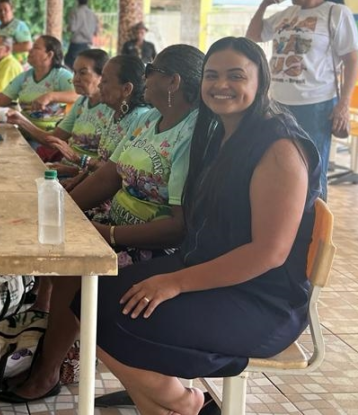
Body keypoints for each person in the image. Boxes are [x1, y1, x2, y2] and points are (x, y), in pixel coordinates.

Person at [74, 38, 320, 415]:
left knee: (122, 319)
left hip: (260, 298)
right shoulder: (219, 132)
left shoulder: (279, 147)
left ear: (261, 82)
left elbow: (269, 253)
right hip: (208, 268)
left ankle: (181, 403)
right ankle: (178, 404)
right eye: (212, 75)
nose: (221, 85)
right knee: (89, 297)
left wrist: (174, 282)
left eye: (236, 76)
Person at [0, 44, 204, 405]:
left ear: (173, 81)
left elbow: (178, 227)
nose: (144, 78)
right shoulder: (150, 121)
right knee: (61, 245)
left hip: (153, 244)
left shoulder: (191, 133)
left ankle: (47, 372)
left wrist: (107, 234)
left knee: (79, 271)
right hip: (114, 224)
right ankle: (51, 353)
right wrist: (66, 214)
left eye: (151, 70)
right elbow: (110, 175)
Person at [246, 0, 358, 198]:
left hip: (316, 104)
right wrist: (264, 5)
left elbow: (352, 60)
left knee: (312, 169)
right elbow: (253, 36)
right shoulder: (286, 14)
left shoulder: (335, 12)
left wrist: (343, 104)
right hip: (277, 102)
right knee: (278, 162)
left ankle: (315, 228)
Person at [6, 49, 109, 168]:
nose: (75, 79)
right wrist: (21, 121)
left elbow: (108, 169)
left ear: (102, 76)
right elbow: (55, 139)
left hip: (82, 176)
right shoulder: (82, 102)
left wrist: (72, 171)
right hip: (65, 168)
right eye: (75, 72)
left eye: (83, 73)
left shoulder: (112, 109)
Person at [0, 36, 76, 134]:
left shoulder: (61, 75)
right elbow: (2, 99)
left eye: (36, 47)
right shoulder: (25, 77)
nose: (30, 50)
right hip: (24, 131)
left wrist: (50, 96)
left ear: (49, 54)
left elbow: (79, 95)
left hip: (49, 135)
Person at [64, 0, 100, 68]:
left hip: (76, 44)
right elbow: (96, 32)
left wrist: (66, 28)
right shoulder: (93, 14)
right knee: (84, 67)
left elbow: (72, 28)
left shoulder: (75, 12)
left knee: (69, 65)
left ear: (77, 1)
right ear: (87, 1)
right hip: (87, 45)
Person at [0, 0, 33, 64]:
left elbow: (28, 45)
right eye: (0, 11)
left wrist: (5, 49)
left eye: (5, 10)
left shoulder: (19, 25)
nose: (2, 13)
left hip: (19, 65)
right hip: (3, 65)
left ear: (12, 10)